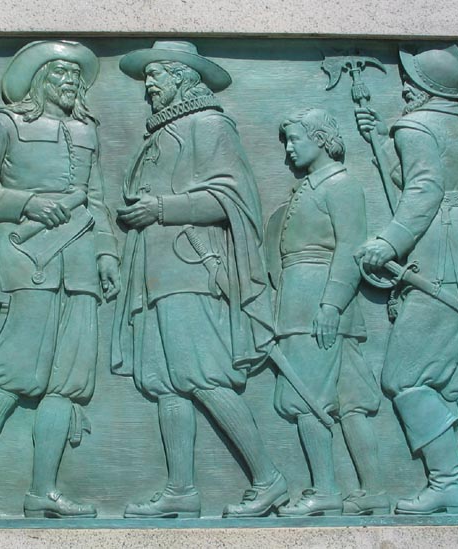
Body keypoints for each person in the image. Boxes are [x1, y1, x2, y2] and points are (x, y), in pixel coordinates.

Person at [0, 40, 120, 519]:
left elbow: (96, 198)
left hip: (78, 267)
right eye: (59, 72)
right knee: (10, 376)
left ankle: (44, 492)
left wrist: (106, 252)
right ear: (39, 80)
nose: (70, 81)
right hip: (23, 261)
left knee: (67, 383)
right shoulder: (4, 124)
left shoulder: (86, 131)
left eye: (75, 74)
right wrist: (27, 203)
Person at [112, 40, 286, 518]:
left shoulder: (209, 125)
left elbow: (234, 199)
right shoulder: (161, 132)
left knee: (202, 375)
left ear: (183, 77)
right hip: (154, 273)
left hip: (193, 269)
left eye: (156, 75)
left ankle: (269, 478)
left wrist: (161, 208)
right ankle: (181, 491)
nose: (148, 85)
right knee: (165, 382)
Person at [355, 45, 458, 514]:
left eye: (409, 79)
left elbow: (424, 188)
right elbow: (432, 174)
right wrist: (382, 142)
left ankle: (445, 482)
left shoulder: (416, 126)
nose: (403, 87)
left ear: (421, 85)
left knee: (404, 377)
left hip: (442, 261)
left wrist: (389, 241)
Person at [267, 109, 388, 516]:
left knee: (308, 398)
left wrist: (331, 305)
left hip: (317, 308)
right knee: (349, 401)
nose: (288, 149)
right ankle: (373, 490)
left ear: (319, 139)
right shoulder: (310, 186)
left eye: (295, 140)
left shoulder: (341, 185)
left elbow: (351, 247)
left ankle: (326, 490)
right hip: (304, 304)